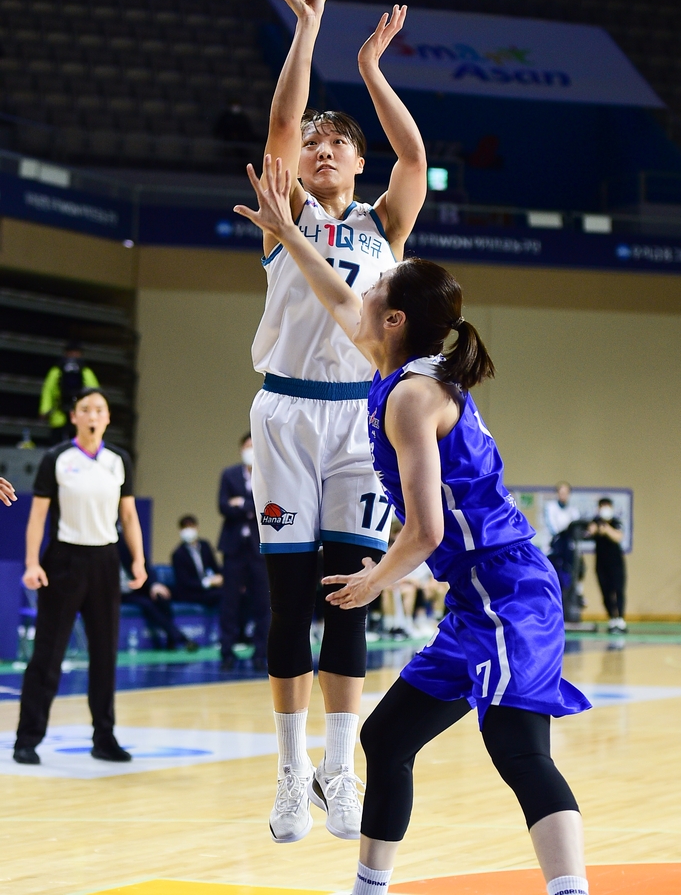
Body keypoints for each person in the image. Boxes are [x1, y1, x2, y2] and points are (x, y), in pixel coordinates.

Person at [235, 156, 592, 895]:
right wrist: (286, 233)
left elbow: (426, 531)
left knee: (519, 752)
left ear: (393, 319)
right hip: (481, 598)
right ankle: (368, 888)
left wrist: (374, 578)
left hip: (504, 590)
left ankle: (570, 890)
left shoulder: (411, 396)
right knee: (386, 737)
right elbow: (334, 292)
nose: (364, 289)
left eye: (378, 289)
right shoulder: (389, 360)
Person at [250, 0, 427, 844]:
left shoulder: (381, 228)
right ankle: (289, 773)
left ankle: (336, 767)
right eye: (314, 142)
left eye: (335, 144)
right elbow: (282, 123)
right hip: (283, 416)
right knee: (288, 601)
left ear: (356, 166)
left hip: (356, 420)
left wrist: (369, 67)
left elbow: (415, 160)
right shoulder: (282, 213)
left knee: (347, 598)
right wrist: (310, 27)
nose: (320, 148)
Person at [14, 387, 146, 766]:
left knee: (105, 655)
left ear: (107, 419)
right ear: (74, 417)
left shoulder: (119, 460)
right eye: (85, 409)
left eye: (99, 410)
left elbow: (130, 516)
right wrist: (31, 562)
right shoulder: (56, 458)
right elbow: (37, 516)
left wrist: (137, 560)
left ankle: (104, 737)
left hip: (105, 560)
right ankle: (27, 737)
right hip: (64, 560)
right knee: (48, 653)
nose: (92, 415)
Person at [217, 432, 270, 671]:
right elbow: (223, 506)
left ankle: (261, 653)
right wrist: (249, 506)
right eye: (246, 446)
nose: (250, 450)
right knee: (230, 603)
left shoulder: (267, 474)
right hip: (234, 549)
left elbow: (267, 507)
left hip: (259, 549)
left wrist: (243, 504)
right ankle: (227, 652)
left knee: (262, 602)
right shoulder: (229, 474)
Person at [118, 536, 198, 652]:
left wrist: (154, 584)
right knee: (147, 604)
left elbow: (145, 566)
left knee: (162, 597)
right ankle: (181, 638)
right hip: (119, 593)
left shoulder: (125, 544)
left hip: (136, 587)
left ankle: (172, 641)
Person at [171, 515, 231, 659]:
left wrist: (221, 578)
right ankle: (224, 637)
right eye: (185, 528)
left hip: (209, 589)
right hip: (191, 592)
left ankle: (240, 635)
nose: (188, 531)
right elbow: (184, 582)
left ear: (196, 528)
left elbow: (215, 567)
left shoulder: (205, 546)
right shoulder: (177, 554)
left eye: (190, 527)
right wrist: (208, 583)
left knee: (232, 593)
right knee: (222, 595)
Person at [39, 342, 99, 446]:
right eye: (71, 353)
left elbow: (95, 394)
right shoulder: (57, 371)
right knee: (57, 446)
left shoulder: (85, 372)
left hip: (79, 417)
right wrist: (45, 409)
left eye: (76, 353)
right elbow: (48, 391)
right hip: (59, 415)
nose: (73, 356)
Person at [544, 482, 585, 621]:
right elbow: (554, 528)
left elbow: (576, 529)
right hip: (555, 550)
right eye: (561, 492)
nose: (563, 495)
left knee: (579, 570)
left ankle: (577, 597)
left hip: (569, 551)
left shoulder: (573, 510)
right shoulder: (550, 508)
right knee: (556, 579)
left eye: (566, 492)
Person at [586, 498, 626, 634]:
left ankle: (620, 618)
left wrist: (607, 529)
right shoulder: (595, 522)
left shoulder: (616, 523)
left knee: (618, 590)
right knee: (605, 592)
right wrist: (596, 528)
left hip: (616, 563)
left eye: (607, 506)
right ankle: (611, 618)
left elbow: (618, 537)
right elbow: (589, 532)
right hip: (601, 563)